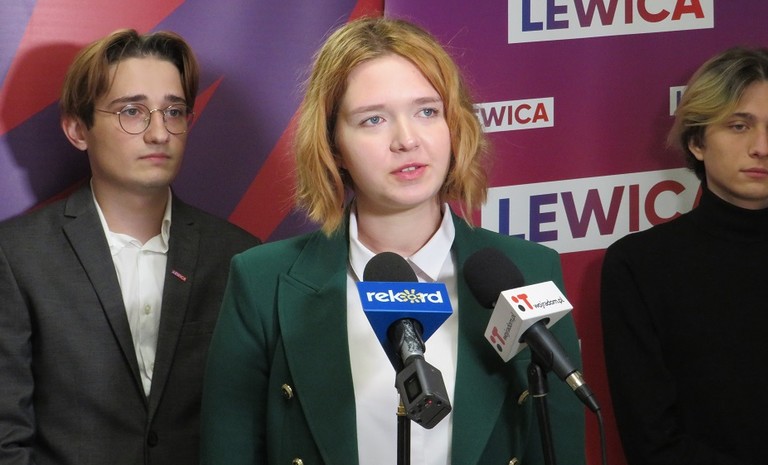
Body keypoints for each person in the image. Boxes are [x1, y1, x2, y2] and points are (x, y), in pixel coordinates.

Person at [201, 17, 585, 465]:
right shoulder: (262, 281)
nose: (406, 140)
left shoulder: (530, 271)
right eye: (373, 119)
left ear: (454, 124)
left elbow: (558, 448)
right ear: (333, 145)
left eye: (427, 111)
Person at [0, 29, 260, 465]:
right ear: (77, 129)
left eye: (174, 112)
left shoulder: (239, 257)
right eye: (132, 111)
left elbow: (254, 423)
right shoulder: (17, 256)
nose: (159, 133)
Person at [601, 46, 768, 465]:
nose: (761, 147)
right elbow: (652, 442)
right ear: (697, 141)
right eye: (739, 126)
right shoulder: (638, 266)